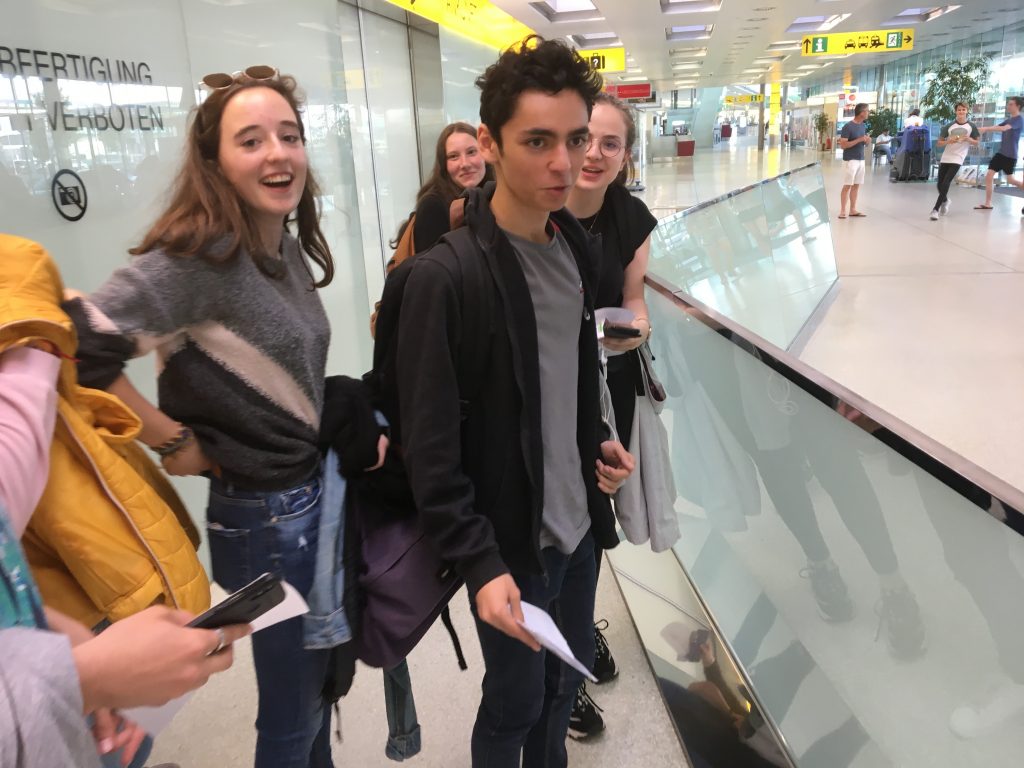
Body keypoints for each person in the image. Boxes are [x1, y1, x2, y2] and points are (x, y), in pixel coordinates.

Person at [63, 66, 344, 768]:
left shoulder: (279, 245)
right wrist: (172, 440)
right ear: (214, 163)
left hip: (306, 496)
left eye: (289, 135)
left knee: (318, 692)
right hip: (265, 517)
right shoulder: (197, 257)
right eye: (251, 140)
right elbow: (79, 345)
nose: (277, 153)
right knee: (293, 713)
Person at [395, 37, 634, 767]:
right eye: (538, 141)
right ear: (490, 144)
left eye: (576, 139)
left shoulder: (574, 247)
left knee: (563, 689)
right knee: (514, 706)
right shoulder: (446, 279)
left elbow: (569, 376)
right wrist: (478, 560)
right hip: (510, 542)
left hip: (577, 528)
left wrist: (596, 441)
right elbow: (429, 447)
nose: (565, 162)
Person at [0, 323, 249, 768]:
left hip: (50, 644)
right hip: (46, 686)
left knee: (122, 735)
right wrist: (84, 676)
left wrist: (57, 631)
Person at [564, 92, 659, 739]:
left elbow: (635, 303)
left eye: (610, 143)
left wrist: (630, 329)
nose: (593, 154)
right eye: (583, 139)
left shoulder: (630, 218)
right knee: (555, 525)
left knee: (595, 516)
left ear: (625, 154)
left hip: (606, 385)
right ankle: (563, 659)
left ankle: (576, 632)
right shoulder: (536, 208)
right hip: (548, 392)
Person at [930, 102, 980, 220]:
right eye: (959, 110)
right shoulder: (949, 126)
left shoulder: (971, 126)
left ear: (966, 111)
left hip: (958, 157)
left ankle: (935, 209)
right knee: (939, 184)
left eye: (963, 109)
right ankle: (945, 200)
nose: (961, 112)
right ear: (955, 111)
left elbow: (977, 142)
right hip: (946, 156)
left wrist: (969, 139)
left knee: (946, 182)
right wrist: (949, 141)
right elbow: (939, 143)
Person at [975, 95, 1024, 211]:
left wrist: (986, 129)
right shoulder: (1009, 119)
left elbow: (1004, 128)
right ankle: (988, 203)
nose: (1008, 106)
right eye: (1008, 104)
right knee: (989, 175)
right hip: (1001, 154)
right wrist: (983, 128)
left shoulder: (1019, 120)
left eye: (1011, 104)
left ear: (1018, 106)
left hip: (1010, 156)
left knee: (1010, 180)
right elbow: (997, 126)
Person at [837, 103, 870, 219]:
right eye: (867, 111)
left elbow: (862, 143)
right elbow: (843, 145)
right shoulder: (848, 127)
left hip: (861, 159)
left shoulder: (863, 126)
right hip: (850, 160)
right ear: (861, 113)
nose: (868, 113)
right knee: (847, 185)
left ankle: (852, 209)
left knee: (856, 185)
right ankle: (842, 211)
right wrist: (859, 139)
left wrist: (866, 141)